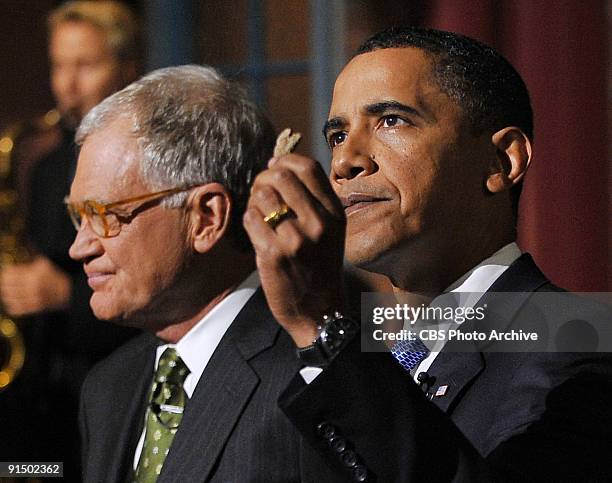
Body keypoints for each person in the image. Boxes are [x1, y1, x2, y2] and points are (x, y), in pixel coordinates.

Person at [244, 27, 612, 481]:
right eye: (337, 134)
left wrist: (323, 324)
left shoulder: (581, 344)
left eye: (391, 120)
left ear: (502, 161)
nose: (344, 163)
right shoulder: (344, 364)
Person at [67, 65, 336, 483]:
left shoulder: (314, 376)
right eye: (77, 215)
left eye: (104, 214)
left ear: (206, 217)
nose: (79, 247)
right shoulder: (107, 387)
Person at [0, 1, 140, 477]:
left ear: (125, 70)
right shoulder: (44, 168)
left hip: (115, 384)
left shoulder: (143, 161)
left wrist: (63, 295)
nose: (67, 84)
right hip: (44, 393)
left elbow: (161, 290)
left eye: (85, 65)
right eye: (60, 65)